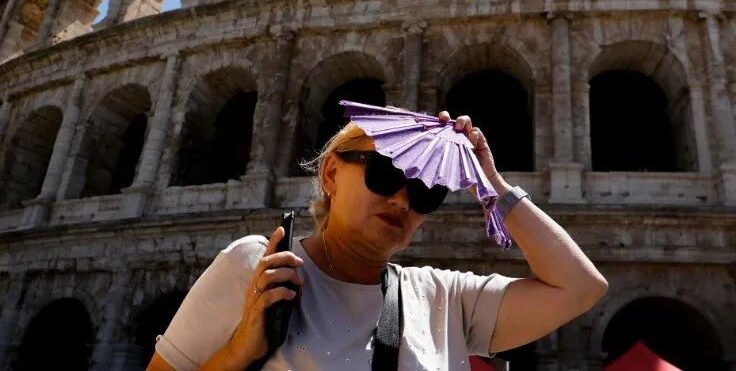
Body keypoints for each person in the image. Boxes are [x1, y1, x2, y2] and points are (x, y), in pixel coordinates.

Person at [148, 110, 608, 370]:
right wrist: (237, 353)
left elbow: (580, 288)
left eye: (428, 191)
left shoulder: (445, 297)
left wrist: (493, 186)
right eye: (387, 173)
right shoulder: (258, 266)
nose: (404, 200)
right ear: (331, 172)